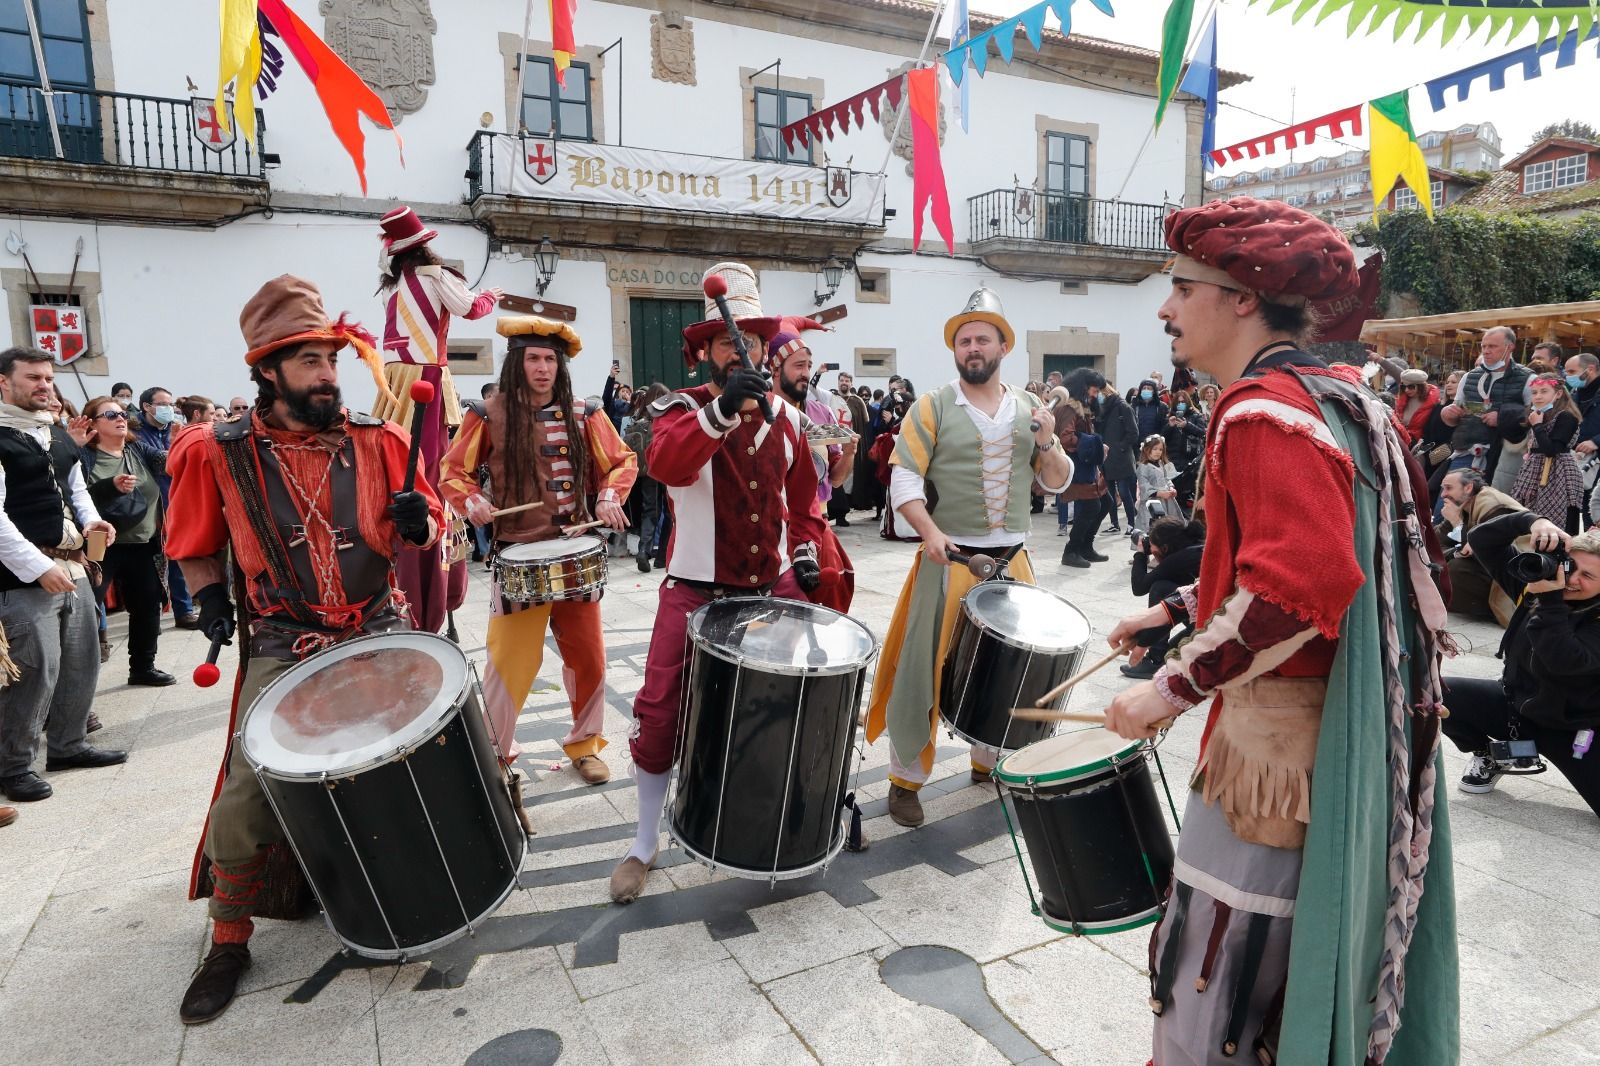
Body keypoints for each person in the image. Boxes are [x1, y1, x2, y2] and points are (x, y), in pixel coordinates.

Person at [1105, 197, 1458, 1065]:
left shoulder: (1263, 409)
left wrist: (1167, 689)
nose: (1165, 307)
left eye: (1182, 287)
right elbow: (1303, 553)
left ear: (1241, 299)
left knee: (1216, 988)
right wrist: (1175, 609)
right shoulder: (1340, 398)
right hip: (1341, 736)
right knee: (1287, 971)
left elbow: (1303, 584)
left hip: (1279, 755)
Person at [168, 275, 442, 1025]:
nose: (328, 375)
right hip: (286, 639)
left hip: (379, 624)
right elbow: (195, 544)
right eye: (310, 362)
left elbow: (430, 528)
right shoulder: (215, 452)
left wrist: (422, 523)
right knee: (247, 793)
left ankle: (413, 880)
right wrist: (213, 599)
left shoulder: (379, 440)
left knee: (420, 758)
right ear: (268, 371)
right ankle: (228, 939)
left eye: (332, 360)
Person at [606, 262, 827, 905]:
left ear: (766, 350)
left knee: (794, 706)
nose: (744, 352)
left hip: (772, 589)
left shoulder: (790, 421)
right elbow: (666, 464)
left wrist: (808, 551)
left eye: (752, 343)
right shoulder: (683, 410)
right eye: (730, 343)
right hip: (696, 590)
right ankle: (644, 841)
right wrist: (723, 413)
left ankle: (786, 816)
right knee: (658, 709)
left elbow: (806, 503)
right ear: (707, 352)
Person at [864, 288, 1071, 828]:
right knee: (923, 670)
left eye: (982, 338)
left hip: (1013, 561)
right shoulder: (931, 405)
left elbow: (1058, 483)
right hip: (949, 559)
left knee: (1009, 671)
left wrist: (1048, 443)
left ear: (1003, 345)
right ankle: (905, 779)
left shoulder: (1031, 411)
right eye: (963, 340)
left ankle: (989, 761)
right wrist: (929, 533)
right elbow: (904, 480)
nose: (972, 347)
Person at [440, 316, 637, 786]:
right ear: (517, 362)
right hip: (518, 553)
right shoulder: (486, 414)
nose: (543, 367)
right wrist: (472, 501)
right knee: (508, 662)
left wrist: (609, 497)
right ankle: (498, 752)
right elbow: (452, 471)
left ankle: (586, 745)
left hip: (574, 553)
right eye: (533, 358)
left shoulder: (586, 412)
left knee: (588, 657)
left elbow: (622, 460)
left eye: (550, 359)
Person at [0, 347, 127, 805]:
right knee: (35, 672)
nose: (44, 386)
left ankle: (69, 746)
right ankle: (13, 766)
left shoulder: (54, 433)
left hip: (71, 563)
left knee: (81, 660)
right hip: (22, 576)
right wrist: (39, 567)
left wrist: (92, 523)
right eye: (33, 377)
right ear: (3, 384)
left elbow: (75, 489)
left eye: (48, 379)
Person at [371, 205, 499, 636]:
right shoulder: (434, 276)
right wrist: (490, 297)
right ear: (423, 247)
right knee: (429, 473)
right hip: (426, 378)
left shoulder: (391, 289)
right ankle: (431, 578)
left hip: (393, 383)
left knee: (398, 464)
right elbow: (470, 309)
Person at [1441, 512, 1600, 813]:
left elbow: (1564, 660)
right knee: (1433, 692)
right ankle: (1488, 753)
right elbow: (1481, 540)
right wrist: (1531, 522)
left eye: (1588, 576)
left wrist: (1551, 601)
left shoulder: (1555, 598)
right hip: (1515, 708)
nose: (1573, 580)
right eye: (1571, 567)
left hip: (1575, 728)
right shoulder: (1537, 586)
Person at [80, 396, 172, 686]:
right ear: (92, 424)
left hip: (144, 542)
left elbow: (167, 461)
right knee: (89, 610)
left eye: (121, 414)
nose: (120, 418)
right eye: (109, 415)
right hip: (98, 541)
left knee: (147, 604)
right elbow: (75, 498)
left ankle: (143, 667)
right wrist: (110, 487)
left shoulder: (136, 448)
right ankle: (79, 682)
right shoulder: (84, 455)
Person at [769, 329, 856, 612]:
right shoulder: (758, 414)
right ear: (775, 368)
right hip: (774, 533)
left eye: (808, 366)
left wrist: (851, 452)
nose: (806, 373)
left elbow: (836, 478)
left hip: (818, 527)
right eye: (798, 366)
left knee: (827, 611)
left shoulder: (822, 414)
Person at [131, 385, 198, 629]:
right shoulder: (133, 432)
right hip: (148, 504)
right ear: (147, 407)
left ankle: (184, 609)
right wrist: (172, 448)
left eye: (170, 404)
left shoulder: (176, 428)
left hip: (177, 498)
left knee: (179, 555)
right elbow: (161, 463)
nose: (168, 409)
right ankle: (152, 614)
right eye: (162, 404)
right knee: (151, 561)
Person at [1438, 326, 1534, 492]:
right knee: (1449, 505)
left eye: (1492, 346)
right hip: (1466, 451)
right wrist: (1447, 414)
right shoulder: (1469, 376)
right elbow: (1453, 415)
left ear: (1509, 347)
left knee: (1492, 510)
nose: (1486, 351)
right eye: (1484, 346)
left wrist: (1503, 418)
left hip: (1503, 456)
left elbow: (1535, 416)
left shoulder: (1528, 378)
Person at [1436, 468, 1524, 623]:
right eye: (1443, 488)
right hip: (1489, 568)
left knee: (1455, 569)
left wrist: (1457, 524)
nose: (1443, 494)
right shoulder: (1464, 503)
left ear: (1468, 487)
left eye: (1449, 488)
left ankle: (1489, 611)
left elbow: (1480, 553)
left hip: (1514, 576)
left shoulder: (1492, 505)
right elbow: (1437, 541)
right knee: (1435, 564)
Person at [1122, 516, 1206, 680]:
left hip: (1212, 625)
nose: (1150, 548)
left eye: (1151, 545)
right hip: (1213, 614)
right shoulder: (1193, 549)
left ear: (1165, 547)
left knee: (1159, 588)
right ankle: (1159, 658)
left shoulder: (1178, 559)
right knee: (1166, 586)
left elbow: (1139, 588)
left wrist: (1140, 553)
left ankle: (1155, 660)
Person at [1512, 375, 1584, 531]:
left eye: (1544, 391)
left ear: (1558, 394)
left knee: (1557, 518)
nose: (1538, 396)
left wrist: (1537, 426)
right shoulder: (1538, 415)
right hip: (1535, 471)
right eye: (1534, 392)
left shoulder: (1566, 416)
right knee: (1526, 511)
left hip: (1558, 473)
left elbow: (1551, 450)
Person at [1059, 369, 1110, 568]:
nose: (1095, 395)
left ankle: (1086, 547)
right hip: (1075, 468)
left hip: (1087, 466)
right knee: (1092, 507)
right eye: (1094, 390)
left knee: (1105, 503)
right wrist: (1094, 444)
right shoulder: (1069, 409)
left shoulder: (1082, 408)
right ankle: (1071, 551)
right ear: (1083, 387)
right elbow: (1065, 438)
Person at [622, 382, 671, 573]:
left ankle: (643, 550)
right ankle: (662, 556)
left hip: (646, 471)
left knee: (650, 511)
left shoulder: (639, 416)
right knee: (668, 512)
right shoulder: (664, 416)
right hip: (665, 468)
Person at [1134, 435, 1181, 524]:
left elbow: (1166, 478)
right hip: (1153, 502)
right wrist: (1160, 493)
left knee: (1170, 523)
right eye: (1155, 449)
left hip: (1167, 500)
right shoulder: (1143, 467)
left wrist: (1171, 488)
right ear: (1147, 449)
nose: (1158, 452)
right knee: (1155, 525)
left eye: (1160, 449)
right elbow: (1144, 486)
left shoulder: (1161, 464)